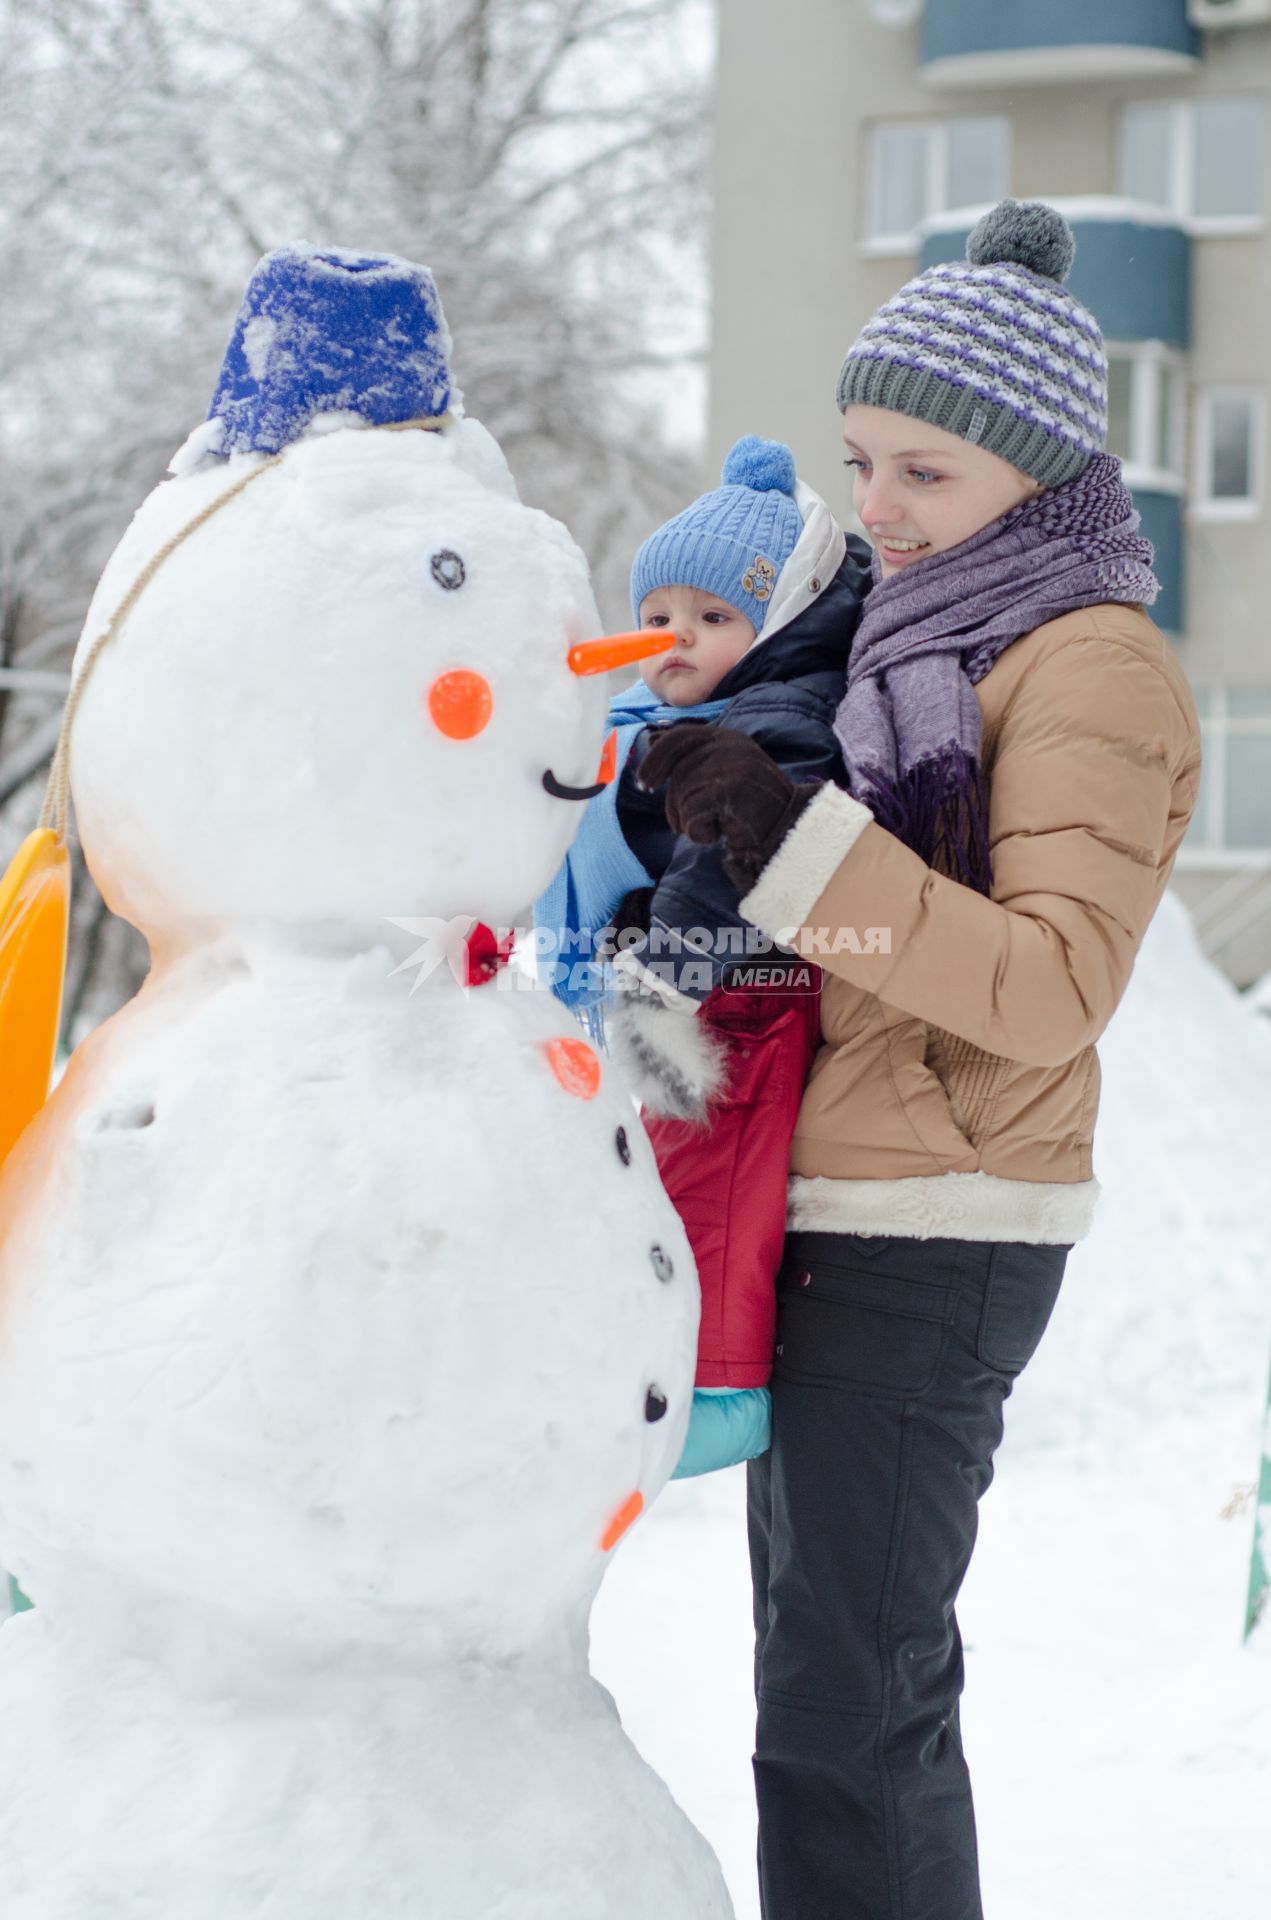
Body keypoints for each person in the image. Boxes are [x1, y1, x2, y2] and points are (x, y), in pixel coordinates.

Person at [638, 200, 1203, 1918]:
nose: (874, 509)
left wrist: (787, 850)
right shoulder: (912, 635)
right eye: (859, 460)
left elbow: (1045, 987)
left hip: (940, 1226)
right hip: (845, 1200)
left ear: (1036, 477)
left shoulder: (1091, 664)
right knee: (820, 1696)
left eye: (925, 475)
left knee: (849, 1705)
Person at [535, 436, 870, 1477]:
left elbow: (736, 861)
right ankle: (646, 1360)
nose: (674, 637)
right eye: (655, 617)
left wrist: (660, 969)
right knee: (645, 1187)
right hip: (657, 992)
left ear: (772, 627)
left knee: (712, 1180)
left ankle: (719, 1388)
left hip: (736, 996)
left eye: (713, 618)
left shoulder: (776, 719)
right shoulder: (640, 716)